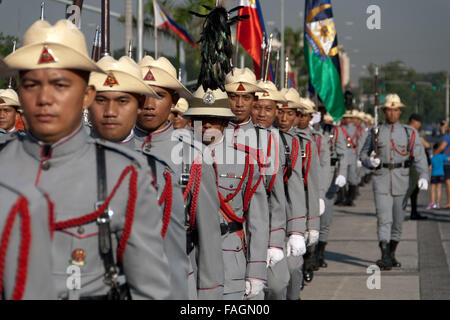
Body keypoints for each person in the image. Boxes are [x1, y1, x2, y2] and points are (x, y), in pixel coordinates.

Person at [1, 19, 171, 299]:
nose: (44, 98)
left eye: (60, 85)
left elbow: (150, 290)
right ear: (19, 93)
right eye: (31, 85)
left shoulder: (122, 175)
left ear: (86, 96)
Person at [135, 55, 224, 300]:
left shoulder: (193, 155)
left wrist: (209, 296)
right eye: (142, 95)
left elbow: (208, 236)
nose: (149, 104)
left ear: (174, 100)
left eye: (159, 96)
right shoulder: (112, 149)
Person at [184, 86, 270, 300]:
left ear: (224, 122)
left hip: (228, 258)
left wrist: (256, 271)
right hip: (187, 258)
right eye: (199, 118)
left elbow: (257, 220)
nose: (206, 125)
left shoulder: (245, 162)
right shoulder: (178, 158)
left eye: (213, 119)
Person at [252, 80, 307, 300]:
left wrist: (297, 230)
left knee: (277, 285)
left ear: (276, 111)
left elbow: (293, 190)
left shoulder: (286, 144)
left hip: (275, 222)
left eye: (268, 109)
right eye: (257, 107)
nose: (262, 114)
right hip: (241, 226)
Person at [361, 93, 429, 271]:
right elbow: (363, 154)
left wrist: (423, 176)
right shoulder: (375, 132)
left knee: (398, 221)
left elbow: (419, 156)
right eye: (389, 110)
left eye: (396, 110)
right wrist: (368, 162)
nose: (392, 113)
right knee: (384, 219)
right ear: (384, 111)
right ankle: (384, 255)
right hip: (381, 178)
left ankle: (392, 254)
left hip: (402, 179)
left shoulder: (409, 132)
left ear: (400, 112)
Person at [406, 113, 430, 219]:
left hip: (411, 163)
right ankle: (411, 212)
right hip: (411, 164)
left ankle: (413, 212)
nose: (420, 125)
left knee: (414, 189)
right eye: (419, 122)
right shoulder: (411, 132)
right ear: (414, 121)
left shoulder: (408, 131)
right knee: (412, 188)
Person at [428, 143, 450, 209]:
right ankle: (437, 203)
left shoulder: (432, 157)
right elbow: (448, 159)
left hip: (434, 174)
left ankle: (432, 203)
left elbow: (430, 167)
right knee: (439, 189)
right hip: (441, 174)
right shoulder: (442, 156)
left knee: (432, 189)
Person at [433, 126, 450, 208]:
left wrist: (434, 154)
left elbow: (442, 147)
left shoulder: (447, 136)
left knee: (448, 182)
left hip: (447, 162)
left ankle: (449, 202)